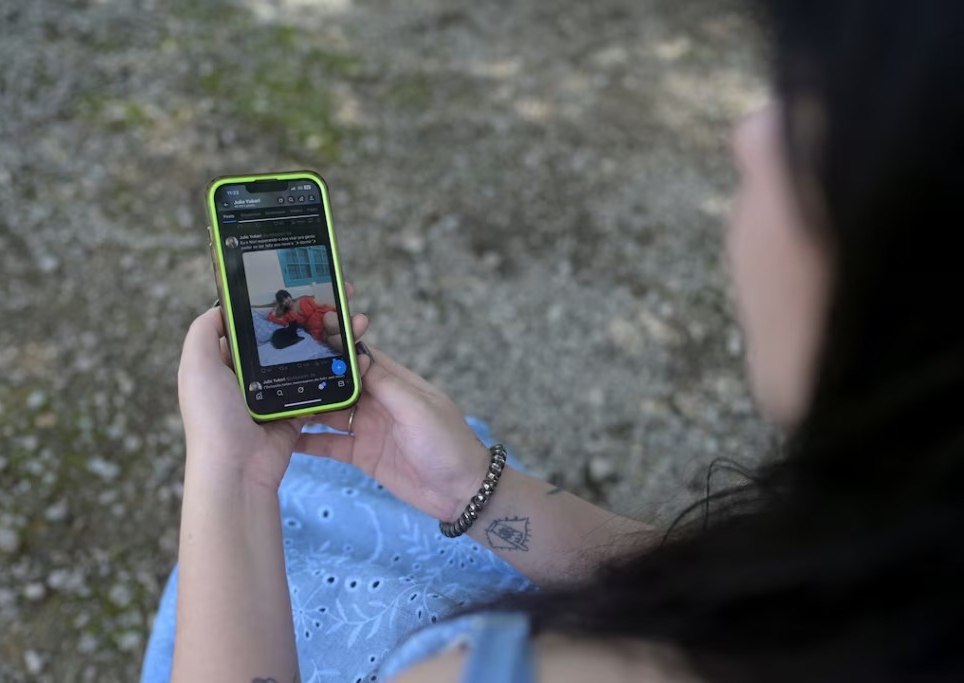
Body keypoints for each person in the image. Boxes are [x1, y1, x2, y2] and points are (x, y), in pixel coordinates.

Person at [143, 0, 964, 681]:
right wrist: (476, 487)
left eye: (815, 100)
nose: (749, 133)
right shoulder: (899, 563)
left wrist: (232, 474)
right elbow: (707, 590)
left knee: (296, 499)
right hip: (455, 508)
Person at [268, 289, 341, 348]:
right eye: (283, 301)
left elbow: (324, 303)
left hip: (324, 315)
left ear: (289, 296)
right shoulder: (288, 316)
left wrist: (340, 311)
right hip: (317, 330)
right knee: (331, 340)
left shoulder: (304, 300)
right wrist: (277, 306)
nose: (286, 301)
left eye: (286, 297)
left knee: (330, 325)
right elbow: (272, 317)